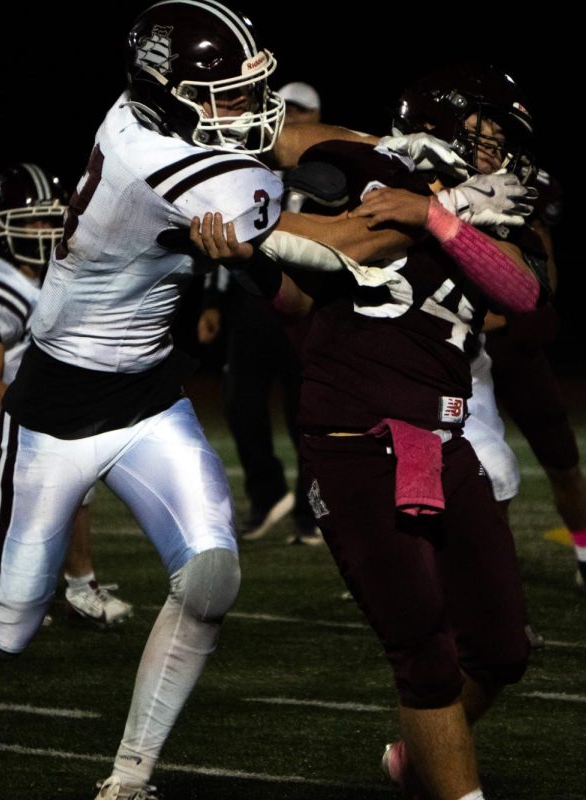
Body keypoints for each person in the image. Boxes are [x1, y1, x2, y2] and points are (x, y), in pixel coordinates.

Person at [0, 4, 292, 799]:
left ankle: (130, 777)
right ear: (168, 94)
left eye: (249, 92)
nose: (250, 111)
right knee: (1, 637)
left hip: (149, 402)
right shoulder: (149, 156)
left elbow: (285, 170)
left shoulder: (162, 129)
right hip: (56, 416)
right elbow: (297, 226)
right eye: (229, 95)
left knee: (210, 580)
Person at [192, 66, 545, 799]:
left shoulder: (488, 215)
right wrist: (253, 257)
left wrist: (435, 218)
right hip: (355, 438)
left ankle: (417, 758)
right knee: (423, 654)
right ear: (447, 120)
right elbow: (296, 289)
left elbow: (521, 292)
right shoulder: (368, 167)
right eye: (488, 131)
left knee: (502, 651)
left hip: (444, 444)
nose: (499, 150)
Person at [389, 66, 586, 600]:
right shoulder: (389, 179)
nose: (498, 147)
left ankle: (557, 567)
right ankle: (404, 564)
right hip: (405, 360)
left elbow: (531, 299)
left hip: (489, 354)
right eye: (489, 131)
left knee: (520, 466)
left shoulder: (507, 193)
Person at [0, 162, 133, 626]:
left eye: (50, 219)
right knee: (59, 472)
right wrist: (59, 413)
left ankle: (41, 592)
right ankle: (36, 595)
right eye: (32, 222)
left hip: (14, 414)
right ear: (1, 230)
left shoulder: (54, 276)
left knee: (68, 470)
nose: (44, 232)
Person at [195, 81, 326, 545]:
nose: (291, 118)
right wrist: (212, 302)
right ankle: (267, 495)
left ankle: (315, 511)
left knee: (306, 412)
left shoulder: (332, 172)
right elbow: (223, 232)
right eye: (285, 109)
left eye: (301, 110)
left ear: (318, 116)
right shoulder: (251, 163)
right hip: (252, 300)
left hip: (307, 304)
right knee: (240, 403)